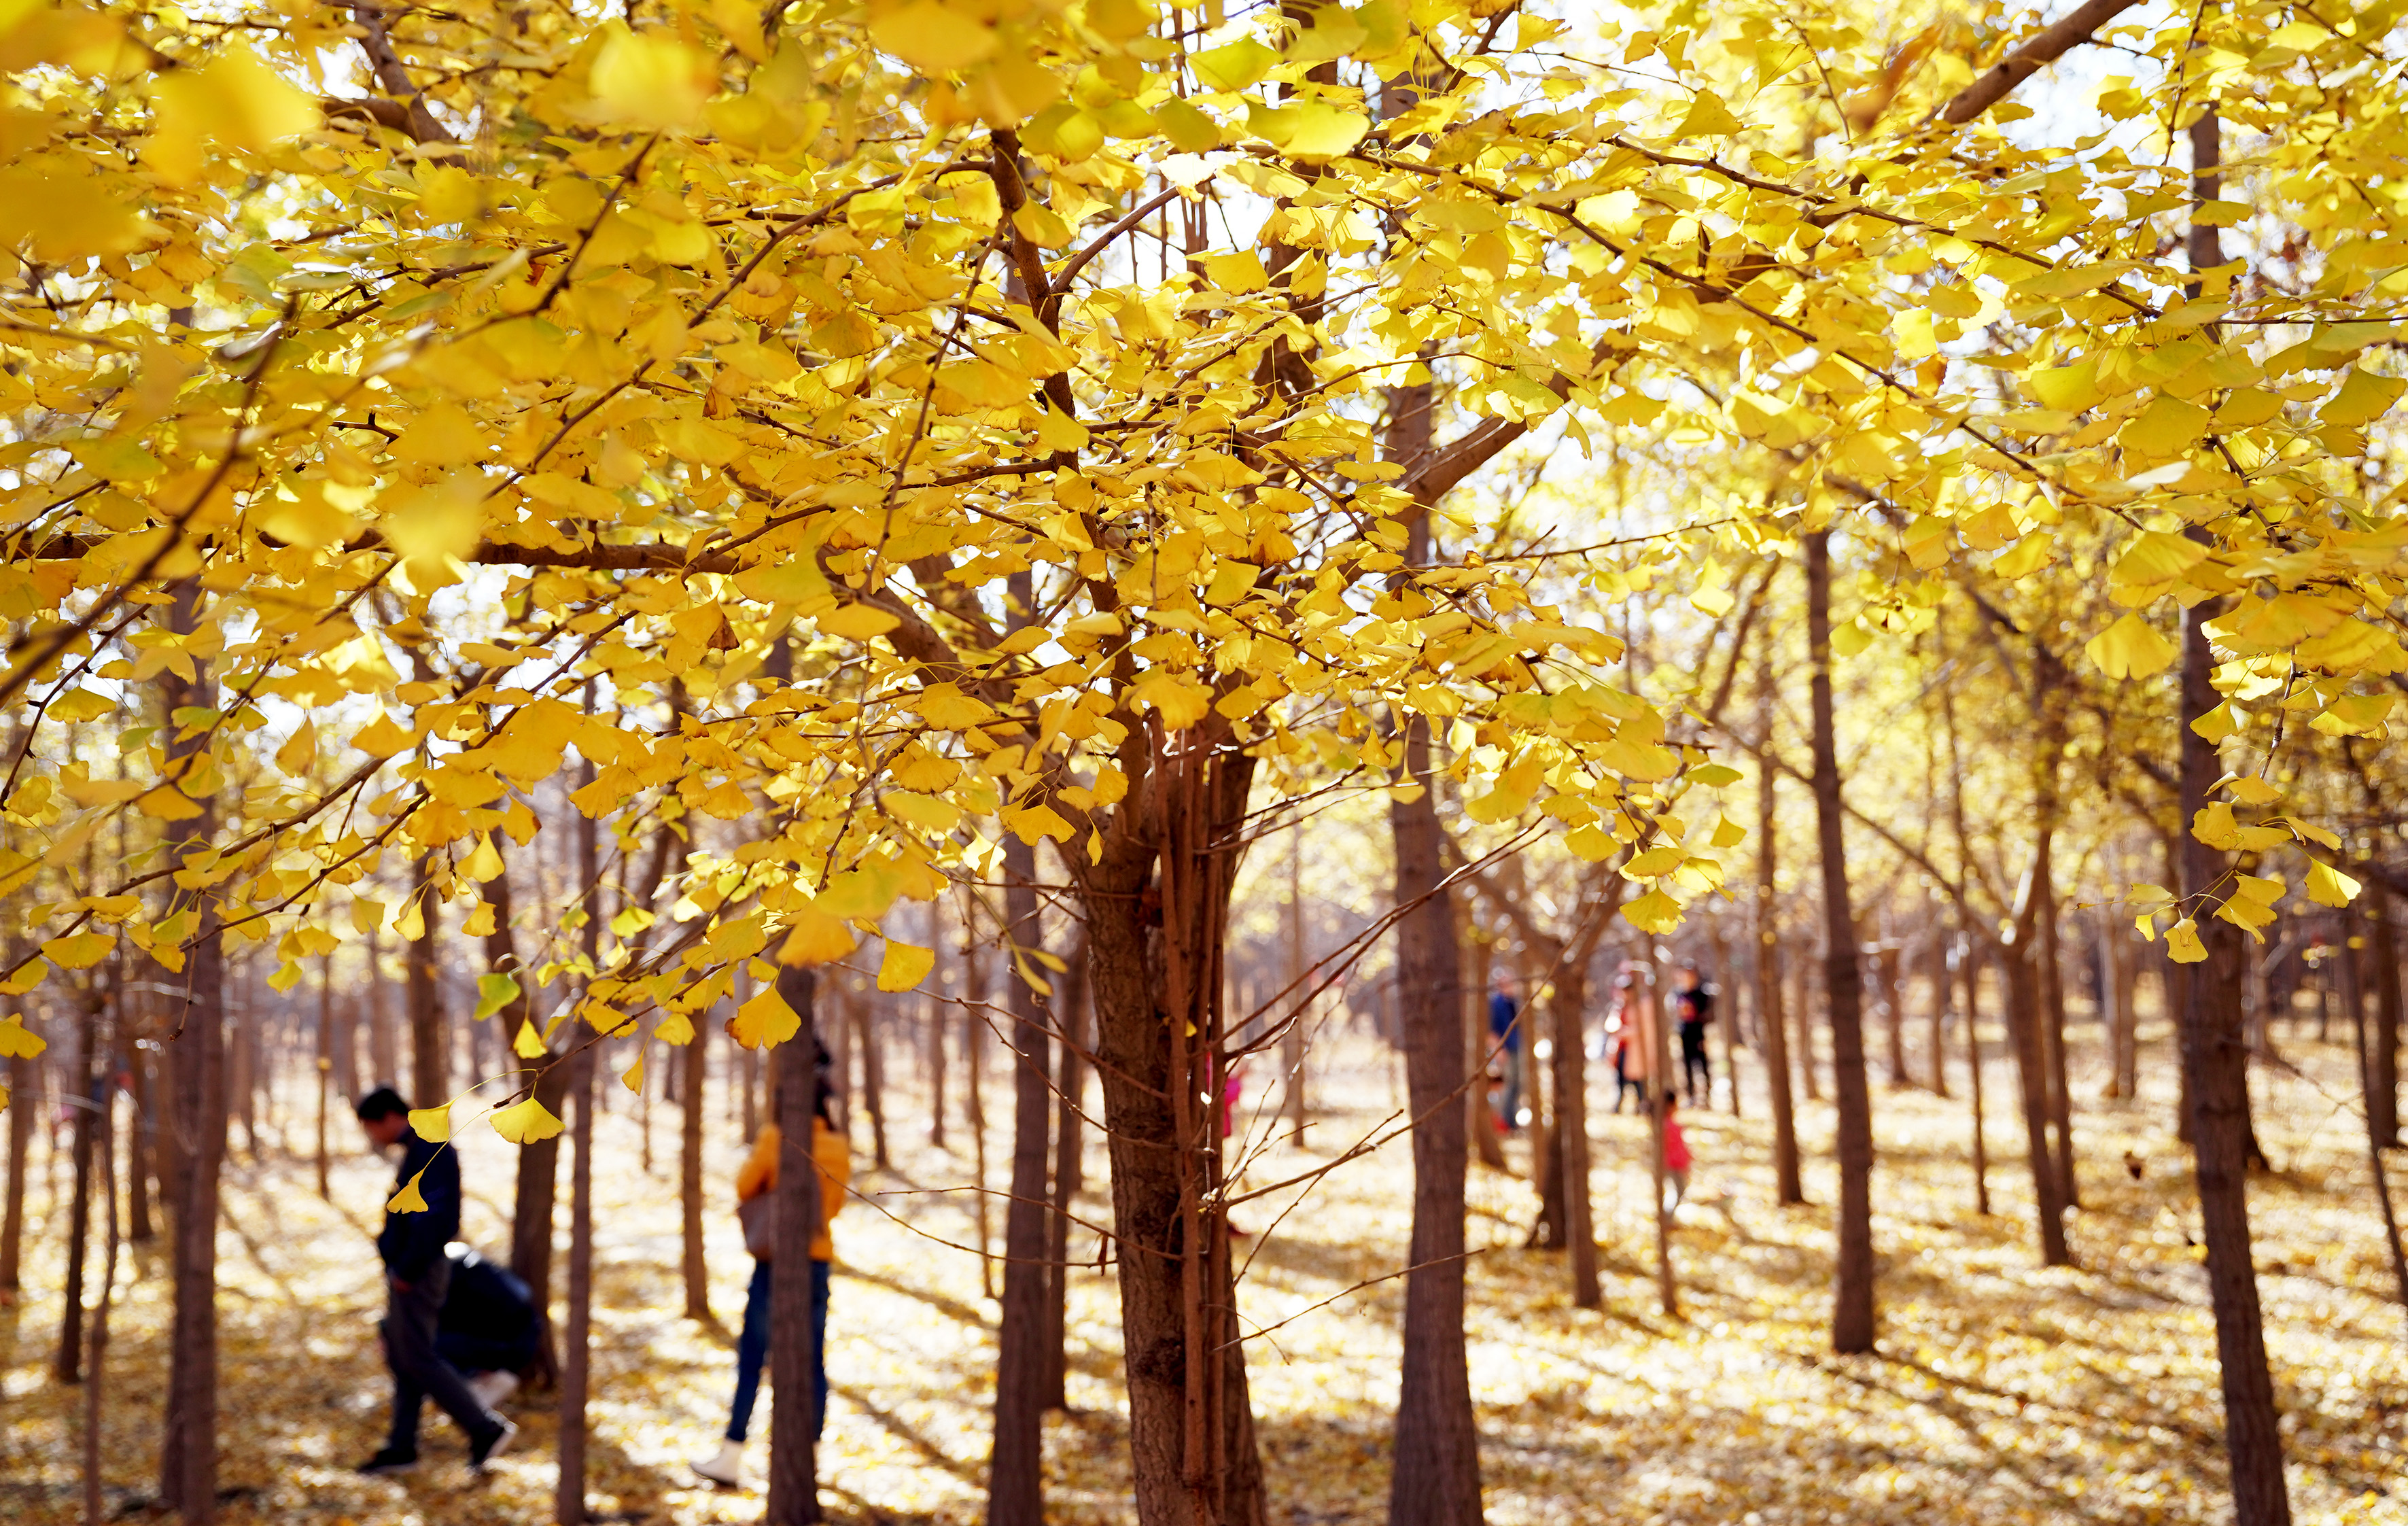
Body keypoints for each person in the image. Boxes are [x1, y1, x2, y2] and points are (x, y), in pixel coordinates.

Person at [694, 1047, 851, 1489]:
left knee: (752, 1359)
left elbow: (745, 1185)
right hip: (817, 1262)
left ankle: (731, 1454)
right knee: (812, 1360)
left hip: (775, 1265)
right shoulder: (837, 1144)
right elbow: (834, 1205)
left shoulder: (777, 1135)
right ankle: (811, 1458)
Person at [354, 1087, 516, 1476]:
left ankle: (484, 1428)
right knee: (404, 1356)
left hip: (419, 1271)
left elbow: (436, 1219)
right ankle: (402, 1446)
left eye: (371, 1127)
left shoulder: (433, 1149)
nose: (372, 1136)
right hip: (409, 1270)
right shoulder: (419, 1148)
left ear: (390, 1117)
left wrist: (408, 1270)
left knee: (418, 1356)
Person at [436, 1242, 539, 1411]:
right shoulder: (486, 1272)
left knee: (432, 1348)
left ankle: (474, 1400)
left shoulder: (461, 1277)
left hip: (507, 1347)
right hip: (516, 1344)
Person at [1673, 965, 1713, 1107]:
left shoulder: (1702, 993)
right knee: (1687, 1066)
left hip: (1699, 1034)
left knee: (1702, 1065)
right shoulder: (1678, 993)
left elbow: (1708, 1015)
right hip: (1685, 1033)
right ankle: (1691, 1095)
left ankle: (1707, 1096)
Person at [1609, 969, 1647, 1113]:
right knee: (1620, 1079)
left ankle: (1641, 1105)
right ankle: (1619, 1104)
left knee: (1638, 1079)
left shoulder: (1640, 1007)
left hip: (1634, 1049)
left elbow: (1642, 1028)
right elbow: (1611, 1024)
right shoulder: (1618, 1007)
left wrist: (1625, 1032)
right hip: (1620, 1048)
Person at [1488, 972, 1522, 1131]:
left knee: (1516, 1085)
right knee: (1505, 1086)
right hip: (1504, 1050)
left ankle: (1511, 1120)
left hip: (1516, 1048)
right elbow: (1491, 1030)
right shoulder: (1496, 1003)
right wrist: (1498, 1049)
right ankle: (1504, 1123)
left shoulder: (1514, 1002)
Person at [1659, 1091, 1692, 1211]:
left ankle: (1668, 1216)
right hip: (1672, 1164)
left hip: (1676, 1164)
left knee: (1679, 1190)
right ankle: (1667, 1216)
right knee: (1678, 1190)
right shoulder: (1666, 1126)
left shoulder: (1672, 1124)